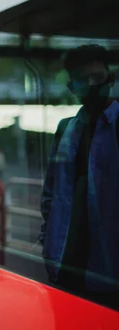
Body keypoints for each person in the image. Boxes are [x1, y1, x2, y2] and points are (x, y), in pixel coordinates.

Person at [40, 44, 119, 309]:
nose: (92, 85)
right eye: (82, 81)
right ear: (73, 89)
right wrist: (48, 245)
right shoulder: (66, 129)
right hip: (66, 265)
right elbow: (50, 195)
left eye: (97, 77)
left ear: (111, 78)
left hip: (110, 271)